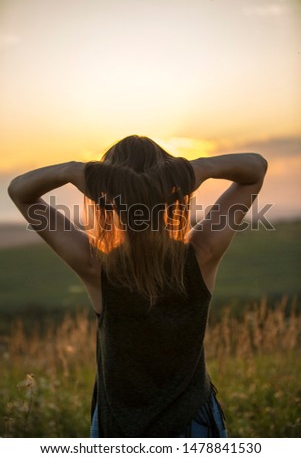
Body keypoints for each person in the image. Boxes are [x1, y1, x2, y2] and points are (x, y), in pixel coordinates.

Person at [8, 135, 267, 437]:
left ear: (106, 197)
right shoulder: (202, 255)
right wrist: (194, 169)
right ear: (173, 192)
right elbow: (256, 169)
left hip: (119, 427)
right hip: (194, 424)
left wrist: (74, 171)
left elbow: (19, 192)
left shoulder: (97, 268)